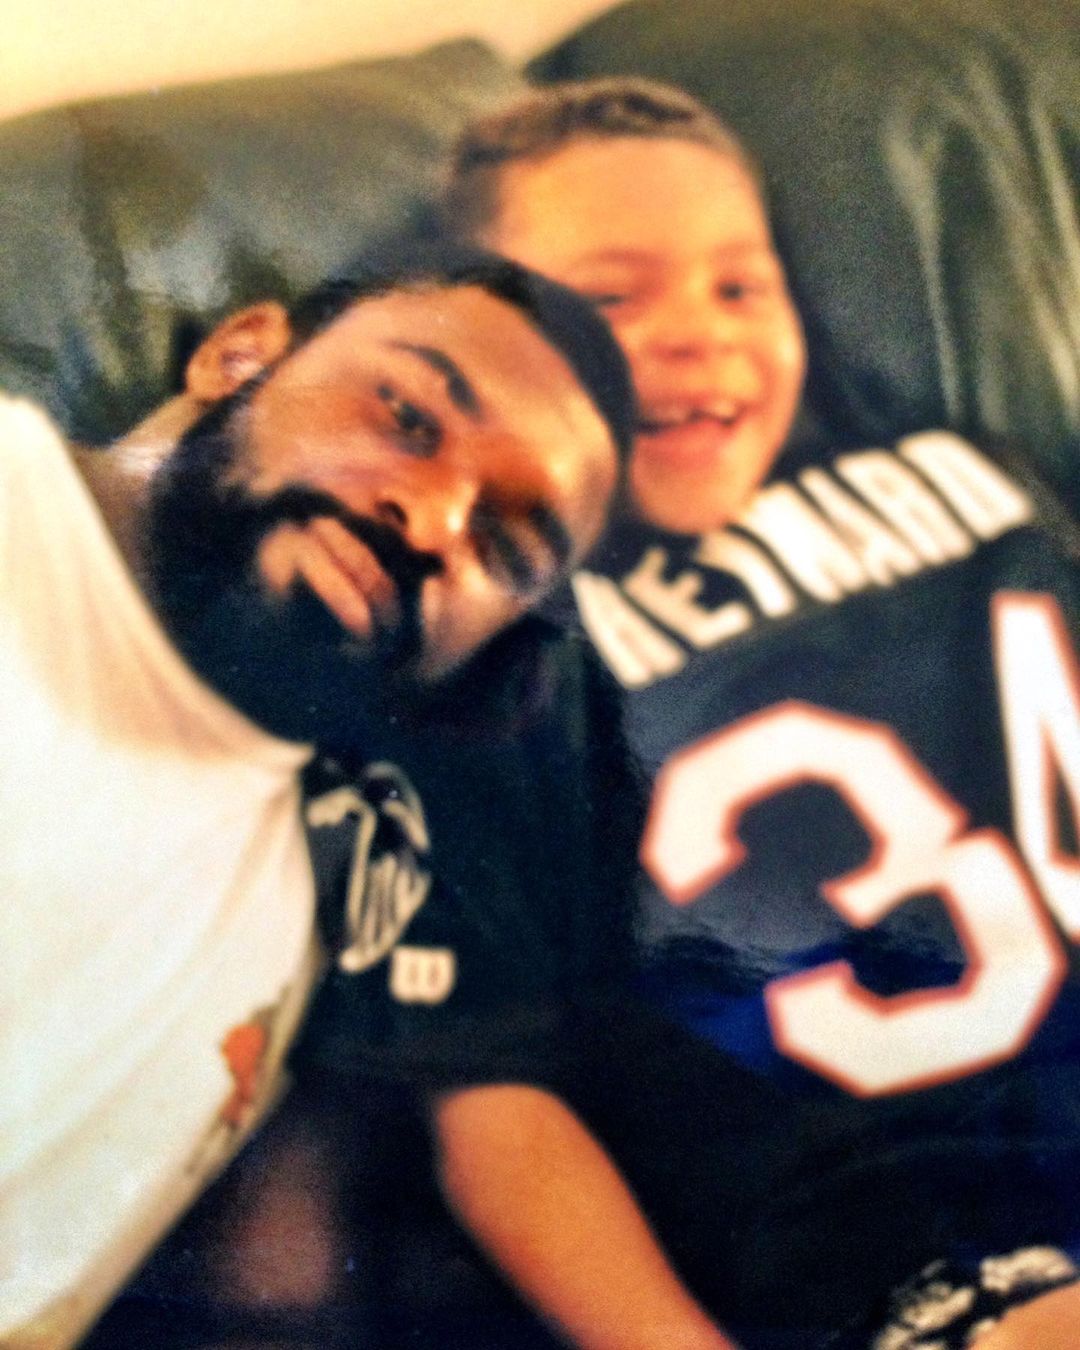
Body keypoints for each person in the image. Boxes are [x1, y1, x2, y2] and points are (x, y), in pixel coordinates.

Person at [441, 78, 1080, 1348]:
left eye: (743, 286)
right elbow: (485, 1092)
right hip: (934, 1248)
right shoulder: (496, 637)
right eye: (612, 298)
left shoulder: (965, 462)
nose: (700, 332)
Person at [0, 242, 636, 1350]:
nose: (434, 521)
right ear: (239, 355)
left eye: (503, 544)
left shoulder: (319, 896)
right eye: (409, 417)